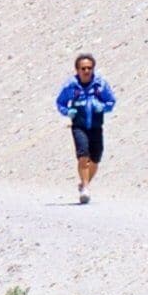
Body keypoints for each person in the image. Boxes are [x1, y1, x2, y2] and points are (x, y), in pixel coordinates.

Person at [55, 54, 115, 205]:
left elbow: (111, 101)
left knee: (95, 159)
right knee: (83, 155)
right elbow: (60, 102)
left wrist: (103, 107)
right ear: (77, 70)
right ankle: (86, 189)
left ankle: (84, 183)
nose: (86, 71)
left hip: (96, 126)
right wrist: (67, 112)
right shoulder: (71, 86)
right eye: (83, 68)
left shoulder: (100, 85)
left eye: (89, 68)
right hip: (79, 126)